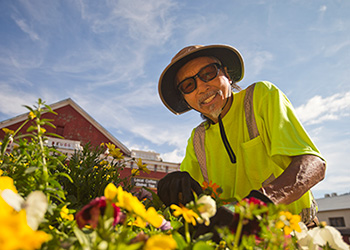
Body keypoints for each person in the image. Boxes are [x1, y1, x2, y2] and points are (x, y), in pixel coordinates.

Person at [157, 44, 326, 237]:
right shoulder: (197, 140)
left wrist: (259, 203)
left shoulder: (261, 96)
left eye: (208, 73)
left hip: (297, 236)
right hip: (239, 242)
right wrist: (172, 190)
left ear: (227, 75)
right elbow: (195, 202)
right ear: (185, 99)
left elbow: (314, 165)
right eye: (188, 85)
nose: (202, 87)